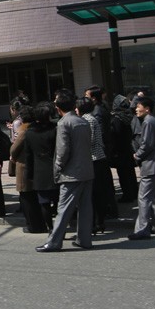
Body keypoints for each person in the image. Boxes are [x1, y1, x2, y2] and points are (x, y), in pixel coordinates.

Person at [36, 90, 94, 253]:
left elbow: (62, 151)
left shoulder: (63, 123)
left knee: (63, 209)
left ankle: (54, 242)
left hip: (71, 173)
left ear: (57, 106)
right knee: (85, 208)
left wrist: (57, 170)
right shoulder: (82, 121)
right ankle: (84, 239)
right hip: (87, 170)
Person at [128, 96, 155, 239]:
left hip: (151, 166)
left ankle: (142, 230)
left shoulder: (148, 122)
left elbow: (147, 144)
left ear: (147, 108)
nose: (136, 109)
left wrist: (137, 155)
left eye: (138, 106)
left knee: (144, 198)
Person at [77, 97, 111, 234]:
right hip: (95, 159)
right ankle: (98, 222)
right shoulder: (89, 118)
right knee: (96, 193)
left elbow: (89, 141)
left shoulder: (88, 120)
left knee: (94, 193)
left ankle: (97, 222)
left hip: (94, 158)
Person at [23, 102, 58, 233]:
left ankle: (50, 227)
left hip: (39, 171)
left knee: (44, 202)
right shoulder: (54, 130)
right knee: (59, 201)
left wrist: (29, 174)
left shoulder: (30, 133)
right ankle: (61, 226)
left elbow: (28, 156)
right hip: (55, 169)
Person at [109, 94, 139, 203]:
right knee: (130, 172)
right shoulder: (128, 116)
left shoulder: (117, 119)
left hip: (119, 150)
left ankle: (127, 195)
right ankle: (134, 192)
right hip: (127, 148)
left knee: (123, 174)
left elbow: (115, 135)